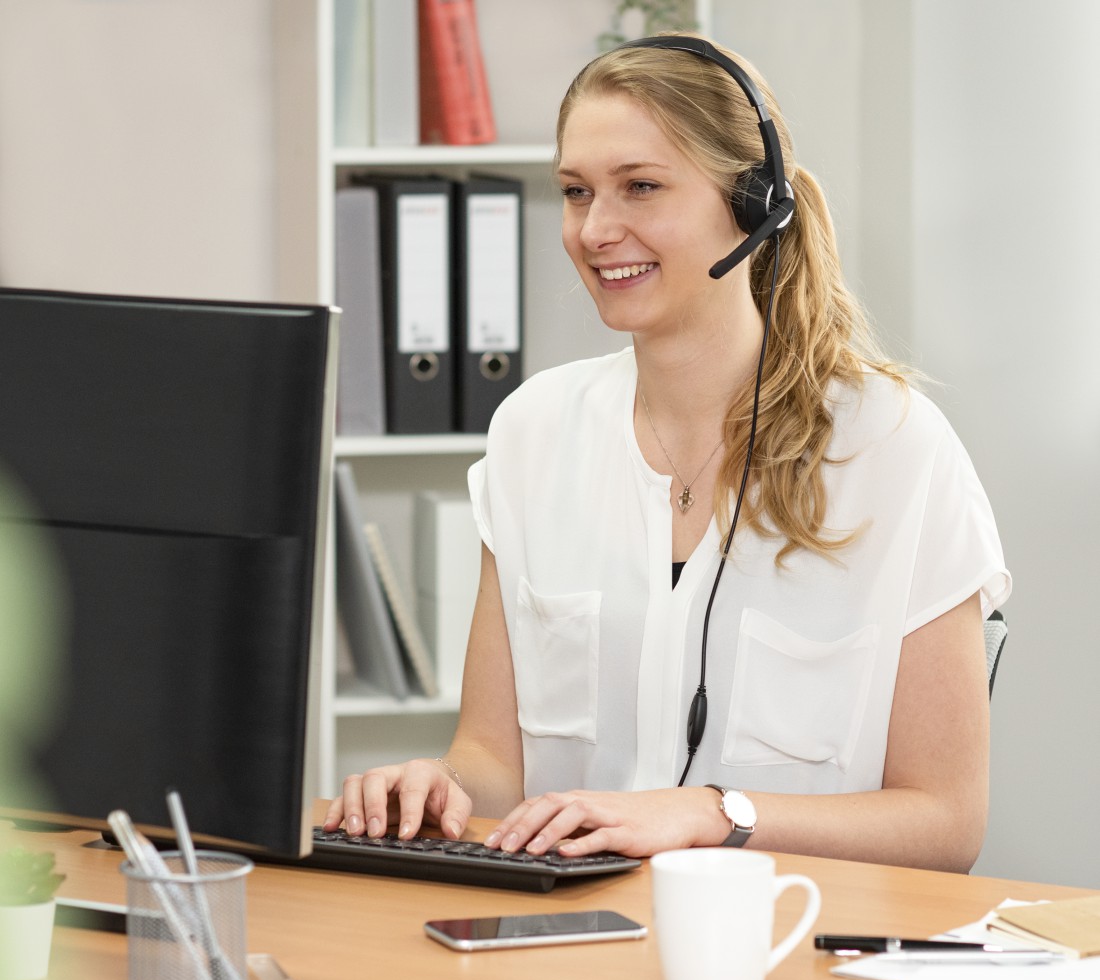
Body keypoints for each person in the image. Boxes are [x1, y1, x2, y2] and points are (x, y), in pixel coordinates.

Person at [325, 34, 1009, 873]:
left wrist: (709, 814)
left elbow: (945, 824)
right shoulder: (532, 432)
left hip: (795, 934)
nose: (595, 230)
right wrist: (440, 784)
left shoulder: (893, 449)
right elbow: (493, 763)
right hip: (570, 935)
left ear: (752, 203)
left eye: (641, 187)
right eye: (576, 193)